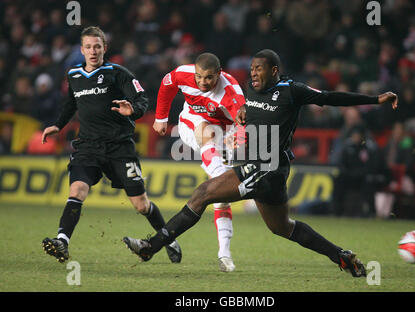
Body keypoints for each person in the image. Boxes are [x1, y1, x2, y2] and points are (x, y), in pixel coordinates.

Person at [123, 49, 398, 277]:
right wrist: (235, 132)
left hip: (268, 168)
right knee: (282, 227)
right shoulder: (248, 93)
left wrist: (375, 99)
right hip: (261, 169)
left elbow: (330, 98)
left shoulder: (293, 91)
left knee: (203, 193)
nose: (253, 73)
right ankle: (340, 256)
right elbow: (238, 117)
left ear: (274, 70)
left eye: (259, 69)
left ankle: (152, 246)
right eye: (252, 68)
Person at [41, 26, 182, 264]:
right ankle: (62, 241)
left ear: (105, 48)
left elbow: (142, 99)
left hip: (119, 147)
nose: (93, 51)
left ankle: (169, 239)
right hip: (88, 147)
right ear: (81, 50)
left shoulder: (118, 73)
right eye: (88, 47)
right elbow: (70, 104)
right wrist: (58, 124)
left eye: (97, 46)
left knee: (141, 204)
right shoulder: (73, 75)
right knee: (77, 191)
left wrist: (133, 110)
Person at [130, 52, 245, 272]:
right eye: (199, 77)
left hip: (224, 134)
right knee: (207, 133)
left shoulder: (231, 93)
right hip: (190, 122)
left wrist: (237, 139)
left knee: (220, 195)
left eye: (209, 78)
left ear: (219, 74)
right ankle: (218, 174)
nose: (203, 82)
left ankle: (224, 254)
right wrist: (161, 118)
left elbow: (243, 120)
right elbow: (166, 85)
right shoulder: (183, 74)